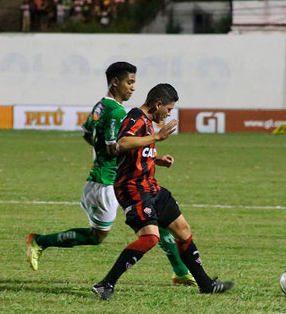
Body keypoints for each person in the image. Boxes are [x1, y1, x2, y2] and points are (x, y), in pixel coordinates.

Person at [26, 62, 196, 286]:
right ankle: (40, 241)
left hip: (108, 177)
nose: (133, 88)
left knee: (156, 222)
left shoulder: (100, 106)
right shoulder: (118, 112)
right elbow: (117, 147)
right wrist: (154, 141)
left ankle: (181, 272)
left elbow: (88, 133)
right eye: (129, 82)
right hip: (109, 181)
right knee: (98, 237)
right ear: (115, 82)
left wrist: (152, 159)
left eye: (134, 83)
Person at [92, 83, 234, 300]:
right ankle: (106, 284)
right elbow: (123, 142)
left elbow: (136, 151)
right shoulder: (135, 118)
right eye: (168, 109)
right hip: (133, 189)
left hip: (151, 186)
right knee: (150, 238)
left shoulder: (147, 122)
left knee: (183, 230)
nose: (169, 113)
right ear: (158, 104)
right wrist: (157, 138)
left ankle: (205, 284)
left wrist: (155, 159)